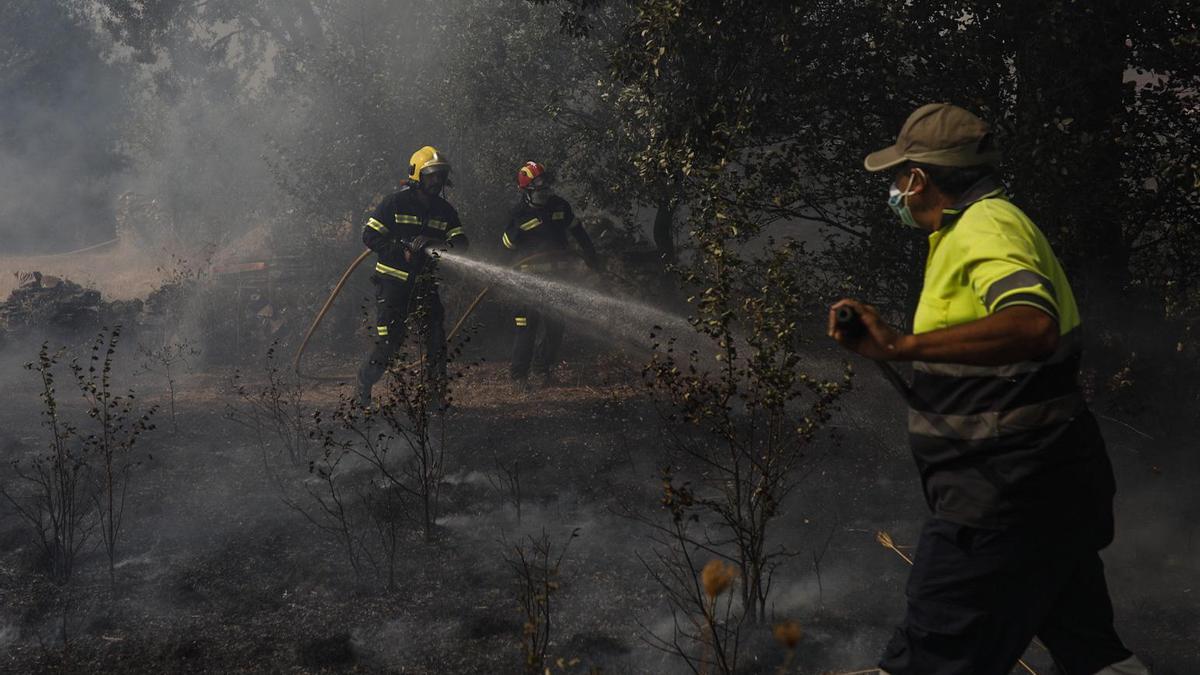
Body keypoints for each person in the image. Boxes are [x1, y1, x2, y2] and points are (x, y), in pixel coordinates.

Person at [829, 103, 1148, 675]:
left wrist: (901, 347)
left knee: (931, 659)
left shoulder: (986, 226)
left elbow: (1032, 323)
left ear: (919, 178)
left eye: (899, 176)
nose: (896, 190)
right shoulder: (967, 231)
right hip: (1048, 488)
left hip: (1001, 498)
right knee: (1096, 659)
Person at [357, 145, 468, 405]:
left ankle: (435, 398)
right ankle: (364, 383)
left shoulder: (445, 210)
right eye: (431, 175)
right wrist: (400, 251)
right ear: (417, 175)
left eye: (440, 176)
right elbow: (370, 236)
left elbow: (461, 243)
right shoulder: (394, 203)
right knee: (390, 343)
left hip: (424, 284)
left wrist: (437, 243)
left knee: (436, 341)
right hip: (393, 285)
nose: (437, 181)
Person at [499, 161, 600, 388]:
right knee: (526, 328)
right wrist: (515, 234)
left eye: (546, 188)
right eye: (538, 190)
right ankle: (519, 377)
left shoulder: (559, 207)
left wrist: (591, 255)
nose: (544, 194)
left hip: (557, 278)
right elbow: (506, 247)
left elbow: (578, 230)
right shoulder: (519, 214)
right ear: (526, 192)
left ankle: (541, 369)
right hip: (528, 281)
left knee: (556, 326)